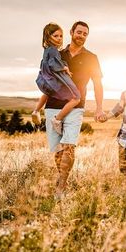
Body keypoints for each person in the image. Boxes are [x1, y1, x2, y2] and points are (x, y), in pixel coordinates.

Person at [42, 21, 105, 200]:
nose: (82, 36)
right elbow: (46, 79)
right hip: (53, 105)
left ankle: (61, 186)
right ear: (71, 32)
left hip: (76, 107)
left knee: (69, 146)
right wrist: (38, 107)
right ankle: (62, 179)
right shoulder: (57, 53)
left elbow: (98, 84)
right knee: (58, 150)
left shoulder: (92, 57)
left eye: (85, 33)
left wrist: (99, 108)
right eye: (79, 32)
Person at [32, 23, 81, 134]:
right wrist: (64, 67)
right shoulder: (53, 50)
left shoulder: (48, 49)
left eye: (61, 36)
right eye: (55, 36)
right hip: (55, 77)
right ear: (48, 36)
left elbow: (47, 62)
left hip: (47, 78)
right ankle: (57, 119)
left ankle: (36, 111)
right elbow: (53, 64)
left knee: (48, 92)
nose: (59, 39)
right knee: (77, 97)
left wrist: (63, 65)